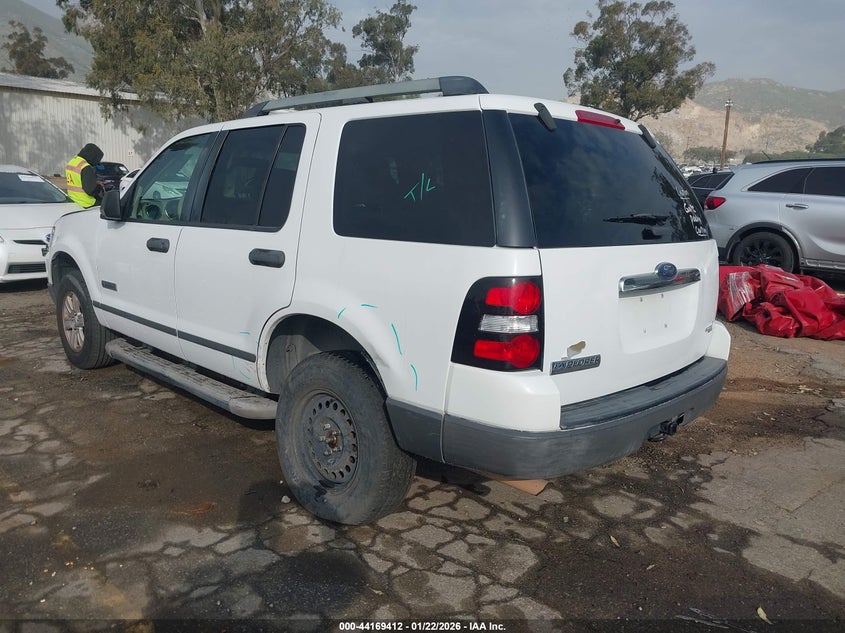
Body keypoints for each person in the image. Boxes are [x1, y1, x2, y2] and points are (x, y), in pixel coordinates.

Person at [65, 143, 105, 208]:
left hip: (73, 200)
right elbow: (91, 190)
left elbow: (78, 181)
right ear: (93, 156)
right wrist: (99, 186)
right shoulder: (86, 167)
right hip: (87, 203)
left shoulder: (71, 162)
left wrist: (94, 182)